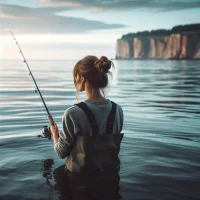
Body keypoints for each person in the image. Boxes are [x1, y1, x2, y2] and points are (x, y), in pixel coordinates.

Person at [50, 55, 124, 174]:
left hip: (78, 182)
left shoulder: (72, 113)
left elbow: (61, 153)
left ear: (83, 78)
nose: (74, 80)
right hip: (110, 178)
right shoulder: (118, 110)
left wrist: (55, 136)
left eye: (76, 75)